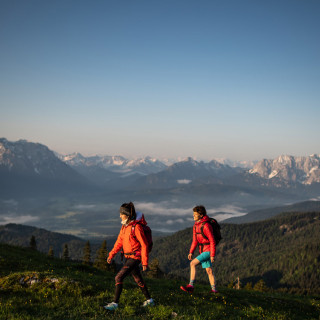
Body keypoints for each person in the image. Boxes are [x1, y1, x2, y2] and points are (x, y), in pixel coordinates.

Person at [104, 202, 155, 311]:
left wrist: (145, 262)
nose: (120, 216)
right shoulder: (124, 227)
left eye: (121, 214)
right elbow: (119, 242)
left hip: (135, 257)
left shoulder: (136, 227)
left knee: (118, 277)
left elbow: (144, 245)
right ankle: (149, 300)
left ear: (127, 215)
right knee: (137, 278)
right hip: (128, 257)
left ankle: (115, 304)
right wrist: (111, 255)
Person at [180, 205, 218, 294]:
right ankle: (214, 290)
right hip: (203, 250)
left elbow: (212, 241)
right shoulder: (196, 226)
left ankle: (191, 286)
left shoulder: (206, 226)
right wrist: (191, 252)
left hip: (208, 250)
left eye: (195, 214)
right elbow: (195, 241)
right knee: (209, 271)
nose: (193, 216)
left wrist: (212, 255)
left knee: (192, 263)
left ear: (201, 215)